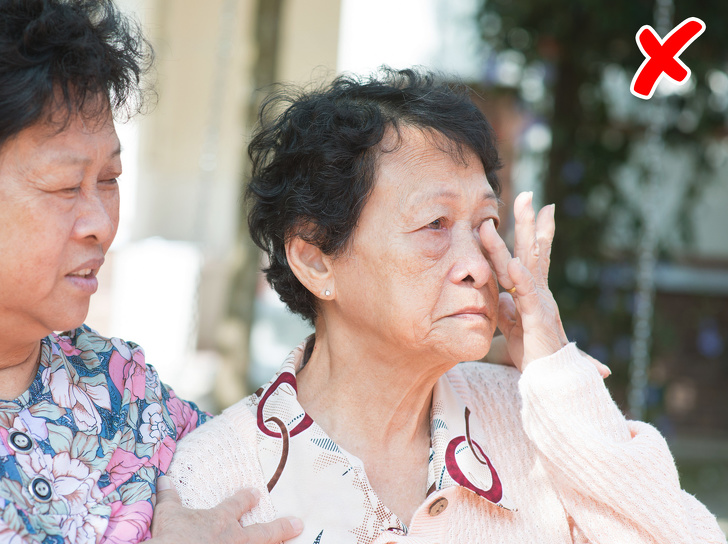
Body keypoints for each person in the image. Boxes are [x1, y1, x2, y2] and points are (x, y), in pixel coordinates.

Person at [168, 68, 727, 544]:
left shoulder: (536, 421)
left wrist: (559, 376)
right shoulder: (218, 481)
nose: (479, 266)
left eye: (485, 224)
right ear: (315, 259)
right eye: (435, 224)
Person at [0, 1, 303, 543]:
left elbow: (283, 478)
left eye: (109, 179)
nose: (101, 223)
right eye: (66, 186)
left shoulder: (121, 386)